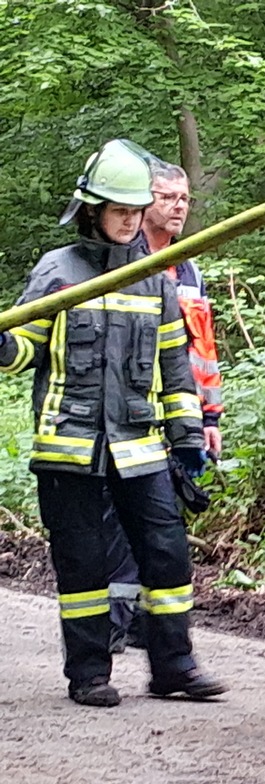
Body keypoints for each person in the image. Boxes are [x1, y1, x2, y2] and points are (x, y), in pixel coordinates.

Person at [0, 138, 226, 706]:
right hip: (69, 446)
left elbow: (175, 370)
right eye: (118, 211)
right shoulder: (58, 272)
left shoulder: (155, 278)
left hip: (141, 446)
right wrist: (4, 345)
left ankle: (174, 666)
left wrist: (187, 439)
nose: (129, 222)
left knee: (168, 554)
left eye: (133, 211)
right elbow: (26, 348)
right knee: (81, 564)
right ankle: (89, 675)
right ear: (92, 211)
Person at [108, 157, 225, 653]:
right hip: (129, 420)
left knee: (164, 529)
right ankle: (111, 627)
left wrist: (209, 417)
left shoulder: (188, 268)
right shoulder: (121, 264)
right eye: (167, 198)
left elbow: (201, 351)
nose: (178, 207)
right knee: (116, 530)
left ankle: (150, 631)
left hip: (179, 419)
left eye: (184, 199)